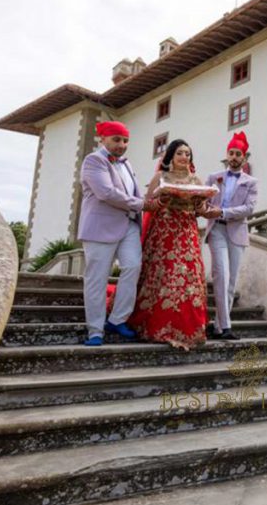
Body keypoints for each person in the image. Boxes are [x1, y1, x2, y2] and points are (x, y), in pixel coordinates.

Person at [77, 121, 158, 346]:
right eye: (116, 140)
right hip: (100, 228)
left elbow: (132, 192)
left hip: (129, 225)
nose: (122, 145)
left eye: (125, 141)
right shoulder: (94, 160)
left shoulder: (127, 163)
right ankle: (95, 330)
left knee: (132, 267)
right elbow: (106, 193)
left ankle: (117, 319)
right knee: (97, 278)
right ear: (103, 139)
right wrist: (142, 205)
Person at [128, 140, 211, 350]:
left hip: (186, 230)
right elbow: (147, 204)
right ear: (171, 156)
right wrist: (161, 199)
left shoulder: (196, 179)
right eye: (180, 153)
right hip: (164, 231)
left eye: (188, 154)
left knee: (189, 276)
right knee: (164, 274)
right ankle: (157, 325)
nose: (184, 157)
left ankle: (189, 328)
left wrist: (203, 205)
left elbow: (201, 210)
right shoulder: (160, 177)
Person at [201, 131, 258, 340]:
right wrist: (205, 209)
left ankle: (217, 327)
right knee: (221, 275)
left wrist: (223, 212)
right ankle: (226, 327)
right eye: (231, 153)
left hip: (237, 232)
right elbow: (203, 202)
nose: (234, 157)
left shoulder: (251, 182)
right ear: (227, 155)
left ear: (244, 157)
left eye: (238, 154)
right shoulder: (213, 177)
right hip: (216, 230)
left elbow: (248, 208)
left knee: (231, 282)